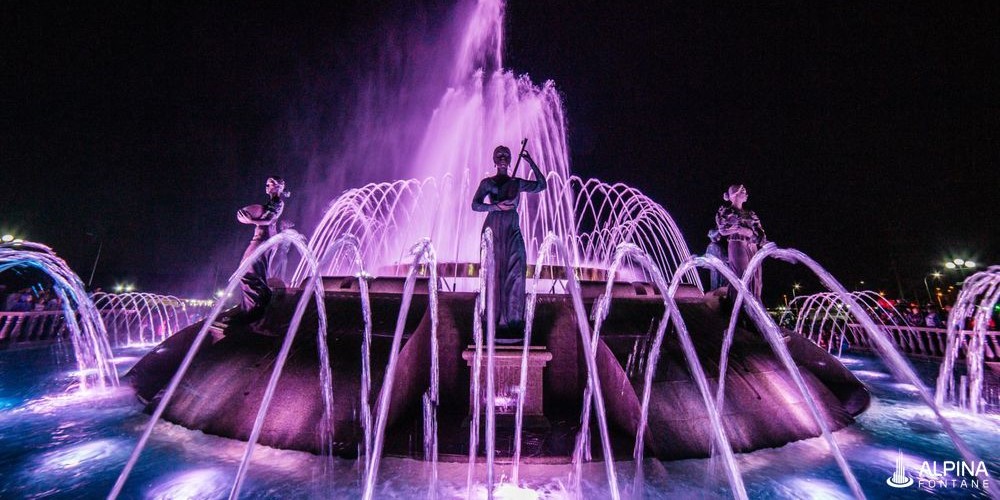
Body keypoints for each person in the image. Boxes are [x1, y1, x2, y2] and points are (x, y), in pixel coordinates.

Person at [471, 145, 547, 343]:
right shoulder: (488, 183)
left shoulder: (516, 182)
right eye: (499, 155)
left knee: (517, 271)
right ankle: (494, 322)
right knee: (494, 273)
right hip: (494, 229)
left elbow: (541, 185)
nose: (503, 158)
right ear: (494, 160)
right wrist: (495, 206)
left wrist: (530, 162)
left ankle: (514, 320)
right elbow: (475, 205)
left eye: (506, 155)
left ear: (511, 159)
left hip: (512, 229)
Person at [235, 176, 289, 323]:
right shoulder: (271, 203)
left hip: (264, 240)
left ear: (279, 187)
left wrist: (251, 220)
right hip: (261, 239)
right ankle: (254, 308)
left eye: (271, 184)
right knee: (252, 273)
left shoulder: (277, 202)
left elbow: (269, 220)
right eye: (267, 184)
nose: (268, 186)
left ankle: (254, 310)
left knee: (247, 273)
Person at [715, 184, 766, 299]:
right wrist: (738, 230)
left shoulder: (751, 214)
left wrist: (750, 233)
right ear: (735, 194)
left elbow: (761, 234)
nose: (746, 194)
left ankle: (755, 303)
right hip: (737, 244)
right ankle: (740, 303)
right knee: (742, 274)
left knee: (756, 277)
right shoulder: (726, 211)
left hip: (753, 246)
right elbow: (722, 230)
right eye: (743, 191)